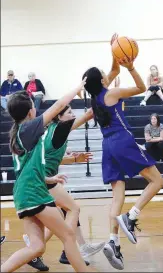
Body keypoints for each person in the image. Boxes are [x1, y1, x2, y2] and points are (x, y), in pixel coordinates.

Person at [1, 83, 97, 272]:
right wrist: (79, 87)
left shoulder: (22, 134)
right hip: (33, 193)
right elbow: (59, 105)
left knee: (37, 247)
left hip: (24, 193)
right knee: (68, 235)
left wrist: (50, 180)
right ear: (30, 111)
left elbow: (28, 169)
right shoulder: (28, 128)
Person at [82, 49, 163, 270]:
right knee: (158, 181)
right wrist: (131, 67)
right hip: (121, 140)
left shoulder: (95, 95)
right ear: (101, 79)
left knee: (117, 196)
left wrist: (113, 52)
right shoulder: (111, 93)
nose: (106, 73)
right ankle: (131, 216)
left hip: (107, 146)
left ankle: (113, 240)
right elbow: (141, 88)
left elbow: (112, 69)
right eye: (103, 73)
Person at [23, 105, 104, 271]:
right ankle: (69, 249)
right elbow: (89, 113)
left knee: (60, 216)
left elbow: (52, 158)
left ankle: (34, 251)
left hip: (41, 178)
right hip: (45, 180)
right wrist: (101, 89)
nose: (73, 114)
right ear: (59, 117)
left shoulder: (51, 131)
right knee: (73, 208)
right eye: (69, 112)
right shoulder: (60, 130)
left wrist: (75, 160)